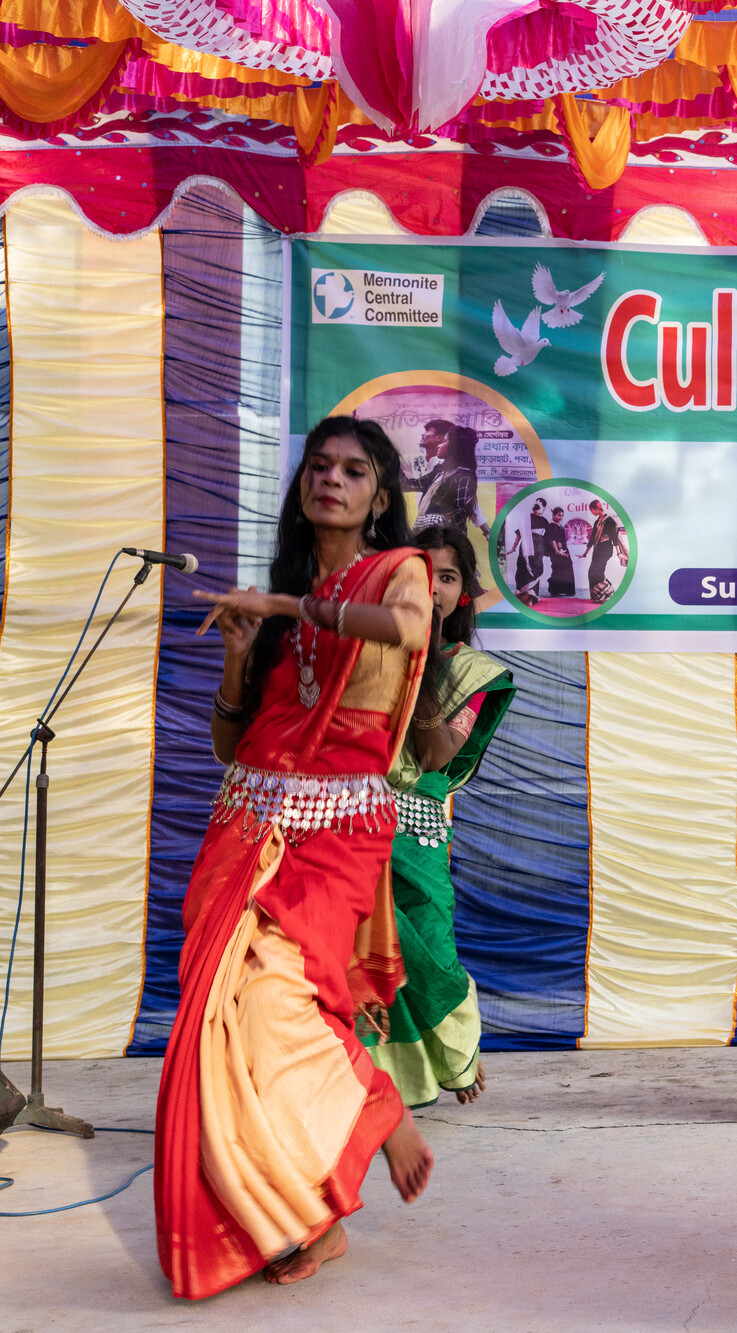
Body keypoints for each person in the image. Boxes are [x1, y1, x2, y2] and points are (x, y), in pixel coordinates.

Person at [156, 415, 444, 1299]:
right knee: (224, 1019)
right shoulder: (283, 596)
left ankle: (379, 1111)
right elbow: (229, 740)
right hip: (250, 824)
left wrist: (291, 607)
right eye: (319, 466)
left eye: (354, 470)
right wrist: (244, 659)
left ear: (379, 496)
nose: (332, 479)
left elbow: (402, 629)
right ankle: (297, 1216)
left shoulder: (400, 573)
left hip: (340, 832)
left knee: (286, 996)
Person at [361, 524, 516, 1107]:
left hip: (417, 826)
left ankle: (453, 1056)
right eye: (420, 574)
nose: (433, 588)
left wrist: (420, 664)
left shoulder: (471, 672)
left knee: (427, 947)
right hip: (352, 815)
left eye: (446, 577)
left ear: (464, 595)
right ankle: (372, 1077)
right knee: (362, 948)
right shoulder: (366, 653)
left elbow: (436, 755)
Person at [412, 423, 489, 538]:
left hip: (440, 535)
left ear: (453, 447)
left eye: (443, 441)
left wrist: (486, 531)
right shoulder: (440, 469)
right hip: (424, 529)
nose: (439, 445)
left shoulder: (463, 476)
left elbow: (465, 507)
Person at [585, 499, 629, 604]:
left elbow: (614, 539)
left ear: (596, 509)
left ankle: (610, 593)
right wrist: (585, 553)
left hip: (605, 551)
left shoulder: (609, 521)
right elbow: (592, 539)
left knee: (597, 572)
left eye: (591, 510)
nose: (591, 512)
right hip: (597, 551)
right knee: (591, 572)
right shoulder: (597, 521)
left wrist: (618, 553)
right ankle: (597, 595)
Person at [546, 505, 577, 600]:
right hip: (557, 551)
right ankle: (554, 591)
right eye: (558, 515)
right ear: (553, 515)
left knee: (564, 567)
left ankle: (560, 590)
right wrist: (558, 551)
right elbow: (554, 539)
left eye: (562, 515)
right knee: (557, 569)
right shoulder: (552, 525)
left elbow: (559, 539)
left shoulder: (557, 525)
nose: (560, 517)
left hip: (562, 549)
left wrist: (562, 550)